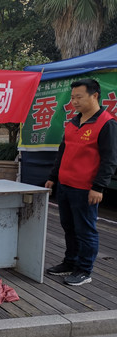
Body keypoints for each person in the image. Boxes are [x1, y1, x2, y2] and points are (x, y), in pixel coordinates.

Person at [45, 78, 117, 286]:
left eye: (79, 97)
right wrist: (52, 177)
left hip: (86, 189)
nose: (74, 101)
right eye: (72, 97)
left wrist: (98, 187)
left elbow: (110, 159)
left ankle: (85, 270)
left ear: (94, 96)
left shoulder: (107, 123)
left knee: (85, 230)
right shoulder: (73, 122)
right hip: (65, 185)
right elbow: (63, 152)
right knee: (68, 226)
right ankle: (70, 262)